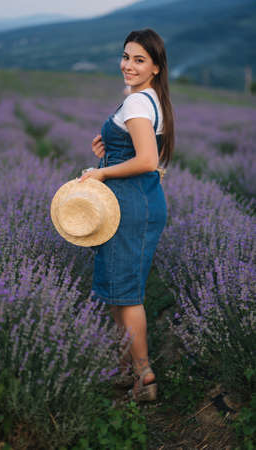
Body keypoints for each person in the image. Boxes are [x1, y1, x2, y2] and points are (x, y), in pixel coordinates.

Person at [78, 28, 175, 402]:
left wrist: (101, 171)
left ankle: (143, 375)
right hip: (139, 201)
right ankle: (125, 370)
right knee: (122, 291)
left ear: (155, 67)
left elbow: (148, 160)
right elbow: (140, 150)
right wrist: (108, 150)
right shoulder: (149, 99)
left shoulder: (137, 103)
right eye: (125, 57)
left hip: (130, 205)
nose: (128, 66)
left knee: (128, 294)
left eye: (139, 60)